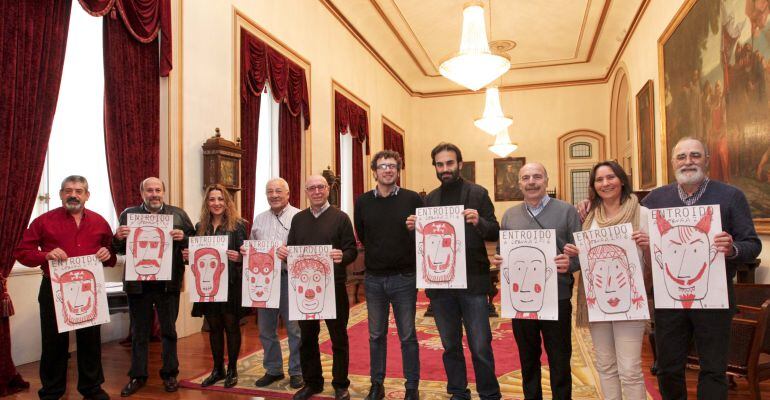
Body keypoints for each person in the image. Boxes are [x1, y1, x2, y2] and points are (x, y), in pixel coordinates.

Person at [641, 137, 761, 399]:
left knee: (713, 369)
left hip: (714, 300)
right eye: (681, 157)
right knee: (668, 368)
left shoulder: (731, 196)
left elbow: (752, 244)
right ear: (672, 162)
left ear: (706, 159)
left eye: (695, 155)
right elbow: (629, 229)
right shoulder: (654, 200)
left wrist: (732, 248)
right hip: (668, 302)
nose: (688, 161)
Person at [406, 143, 501, 400]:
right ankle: (458, 392)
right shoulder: (430, 199)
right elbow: (428, 241)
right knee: (450, 345)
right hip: (441, 285)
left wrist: (479, 221)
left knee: (480, 345)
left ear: (460, 164)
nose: (444, 169)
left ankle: (490, 394)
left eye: (449, 163)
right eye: (439, 164)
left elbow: (494, 229)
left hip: (473, 282)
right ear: (435, 167)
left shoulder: (477, 193)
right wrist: (415, 226)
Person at [14, 175, 115, 400]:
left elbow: (110, 255)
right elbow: (22, 252)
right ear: (61, 194)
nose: (73, 195)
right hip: (53, 289)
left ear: (87, 195)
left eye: (79, 191)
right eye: (68, 190)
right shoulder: (43, 221)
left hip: (90, 290)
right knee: (53, 342)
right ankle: (52, 390)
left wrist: (107, 254)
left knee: (90, 341)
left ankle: (92, 388)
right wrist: (45, 254)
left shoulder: (100, 222)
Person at [491, 162, 581, 400]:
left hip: (557, 297)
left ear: (546, 181)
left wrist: (570, 264)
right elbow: (503, 250)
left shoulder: (567, 211)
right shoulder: (509, 215)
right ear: (519, 183)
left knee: (559, 359)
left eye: (537, 177)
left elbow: (582, 254)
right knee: (528, 358)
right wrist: (501, 259)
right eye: (526, 178)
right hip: (521, 302)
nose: (531, 182)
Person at [562, 161, 650, 400]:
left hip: (631, 301)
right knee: (606, 365)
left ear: (622, 180)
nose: (605, 183)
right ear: (593, 186)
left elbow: (661, 255)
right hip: (597, 300)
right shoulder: (588, 215)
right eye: (599, 180)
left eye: (610, 177)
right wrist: (574, 251)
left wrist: (649, 244)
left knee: (630, 369)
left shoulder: (642, 214)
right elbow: (586, 256)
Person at [277, 175, 357, 400]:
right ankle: (313, 382)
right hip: (305, 290)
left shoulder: (341, 218)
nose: (317, 191)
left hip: (334, 287)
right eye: (311, 188)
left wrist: (343, 255)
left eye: (321, 187)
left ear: (328, 189)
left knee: (338, 337)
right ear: (306, 192)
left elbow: (351, 250)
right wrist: (284, 254)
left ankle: (341, 384)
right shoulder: (299, 219)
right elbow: (292, 251)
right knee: (307, 337)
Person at [113, 177, 194, 396]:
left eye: (158, 190)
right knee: (139, 332)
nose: (154, 194)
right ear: (142, 193)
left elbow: (194, 244)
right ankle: (137, 376)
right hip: (138, 285)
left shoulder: (178, 215)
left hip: (168, 284)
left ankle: (170, 374)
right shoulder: (128, 215)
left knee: (169, 330)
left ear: (164, 192)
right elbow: (119, 249)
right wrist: (118, 237)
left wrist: (183, 238)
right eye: (149, 190)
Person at [354, 150, 423, 400]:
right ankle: (377, 384)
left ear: (398, 170)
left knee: (407, 336)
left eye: (392, 166)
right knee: (376, 335)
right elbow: (362, 233)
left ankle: (412, 386)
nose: (387, 170)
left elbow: (423, 236)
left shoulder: (412, 198)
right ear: (374, 171)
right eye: (382, 166)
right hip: (373, 279)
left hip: (405, 278)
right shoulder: (362, 201)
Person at [241, 178, 303, 389]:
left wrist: (290, 254)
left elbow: (306, 250)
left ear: (288, 193)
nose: (274, 195)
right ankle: (274, 369)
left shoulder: (300, 217)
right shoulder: (258, 219)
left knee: (294, 330)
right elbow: (253, 248)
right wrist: (245, 252)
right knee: (266, 329)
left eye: (278, 191)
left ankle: (297, 371)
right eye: (270, 192)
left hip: (289, 279)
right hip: (264, 283)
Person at [183, 184, 247, 388]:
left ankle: (233, 369)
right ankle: (217, 369)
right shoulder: (200, 226)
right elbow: (195, 258)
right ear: (207, 203)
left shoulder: (238, 225)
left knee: (231, 326)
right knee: (214, 328)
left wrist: (239, 257)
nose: (216, 203)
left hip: (231, 285)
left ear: (227, 202)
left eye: (220, 199)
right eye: (212, 199)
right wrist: (187, 257)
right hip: (208, 288)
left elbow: (247, 256)